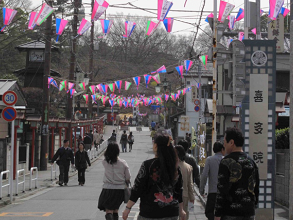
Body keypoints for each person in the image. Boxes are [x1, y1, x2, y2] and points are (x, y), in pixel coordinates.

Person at [122, 135, 186, 220]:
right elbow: (179, 190)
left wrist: (128, 208)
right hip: (171, 212)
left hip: (150, 212)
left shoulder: (148, 165)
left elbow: (138, 188)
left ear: (156, 146)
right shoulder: (175, 167)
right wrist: (181, 210)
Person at [214, 127, 260, 220]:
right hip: (248, 212)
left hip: (230, 213)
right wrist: (253, 205)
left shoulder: (226, 162)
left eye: (225, 142)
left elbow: (222, 190)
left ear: (231, 142)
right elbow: (256, 186)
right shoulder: (251, 161)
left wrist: (217, 214)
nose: (224, 145)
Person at [98, 143, 131, 220]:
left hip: (107, 188)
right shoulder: (123, 163)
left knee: (109, 210)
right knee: (116, 209)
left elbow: (104, 156)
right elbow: (128, 177)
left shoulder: (105, 162)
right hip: (119, 189)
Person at [199, 142, 225, 220]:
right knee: (223, 213)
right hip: (224, 192)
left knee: (209, 212)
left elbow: (204, 176)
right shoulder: (226, 160)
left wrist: (201, 189)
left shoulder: (210, 159)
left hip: (212, 192)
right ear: (222, 149)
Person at [175, 145, 195, 220]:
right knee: (184, 216)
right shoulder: (188, 167)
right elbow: (190, 184)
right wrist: (192, 197)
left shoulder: (172, 166)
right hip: (185, 195)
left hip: (174, 196)